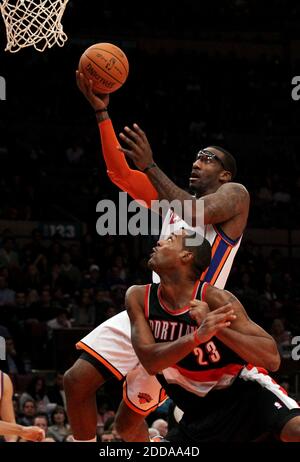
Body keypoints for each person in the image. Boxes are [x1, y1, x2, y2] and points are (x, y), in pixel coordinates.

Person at [64, 74, 250, 442]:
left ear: (224, 173)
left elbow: (198, 213)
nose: (198, 161)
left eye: (208, 158)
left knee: (127, 424)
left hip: (188, 322)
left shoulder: (235, 195)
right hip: (148, 308)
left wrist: (151, 165)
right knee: (75, 381)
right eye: (196, 156)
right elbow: (119, 173)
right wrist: (103, 114)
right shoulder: (173, 201)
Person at [126, 230, 300, 442]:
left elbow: (271, 359)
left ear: (186, 256)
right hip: (197, 414)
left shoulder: (216, 299)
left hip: (244, 397)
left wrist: (218, 329)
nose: (159, 242)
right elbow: (150, 361)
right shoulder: (138, 297)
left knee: (296, 430)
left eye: (170, 240)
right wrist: (197, 336)